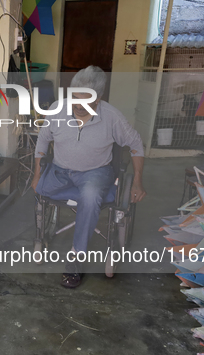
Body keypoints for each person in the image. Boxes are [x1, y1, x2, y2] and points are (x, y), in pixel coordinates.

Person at [31, 66, 147, 289]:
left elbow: (135, 144)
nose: (79, 107)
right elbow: (42, 141)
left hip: (95, 172)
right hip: (60, 170)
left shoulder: (112, 117)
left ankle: (76, 256)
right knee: (41, 189)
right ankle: (104, 195)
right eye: (75, 99)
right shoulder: (57, 110)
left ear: (99, 99)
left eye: (87, 102)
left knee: (91, 193)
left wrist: (138, 180)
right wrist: (37, 174)